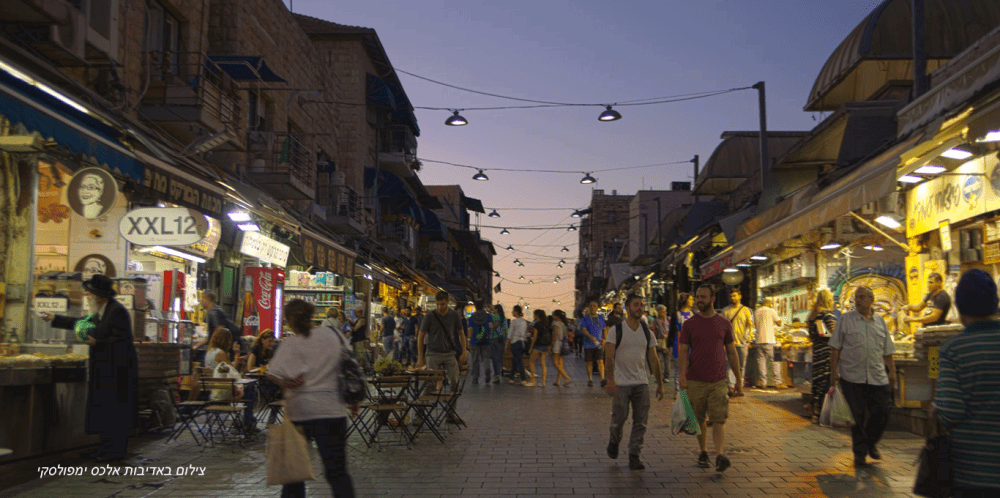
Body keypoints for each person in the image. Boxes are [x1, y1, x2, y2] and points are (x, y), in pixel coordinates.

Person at [40, 274, 138, 462]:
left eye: (90, 293)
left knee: (114, 411)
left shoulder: (116, 311)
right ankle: (105, 447)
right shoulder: (102, 311)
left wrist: (98, 343)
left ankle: (115, 451)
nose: (87, 296)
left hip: (117, 373)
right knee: (104, 410)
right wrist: (55, 318)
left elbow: (122, 340)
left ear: (99, 296)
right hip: (105, 370)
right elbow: (80, 322)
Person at [268, 299, 356, 498]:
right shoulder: (332, 334)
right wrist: (354, 399)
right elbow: (350, 365)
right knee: (337, 473)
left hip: (300, 413)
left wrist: (288, 384)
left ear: (289, 320)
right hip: (332, 410)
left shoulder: (290, 343)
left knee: (294, 475)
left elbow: (273, 373)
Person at [934, 269, 1000, 494]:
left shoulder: (954, 349)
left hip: (974, 468)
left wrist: (935, 410)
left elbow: (950, 410)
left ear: (961, 309)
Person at [830, 286, 896, 467]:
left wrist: (892, 372)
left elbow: (887, 350)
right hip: (852, 376)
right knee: (857, 417)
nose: (858, 300)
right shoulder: (845, 320)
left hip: (877, 375)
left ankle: (871, 442)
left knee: (883, 412)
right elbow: (835, 348)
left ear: (870, 299)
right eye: (856, 297)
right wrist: (833, 372)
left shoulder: (880, 322)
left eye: (861, 297)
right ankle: (860, 452)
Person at [679, 284, 742, 472]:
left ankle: (720, 454)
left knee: (719, 418)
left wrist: (738, 378)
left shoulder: (724, 323)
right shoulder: (689, 324)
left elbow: (731, 352)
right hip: (695, 379)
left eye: (703, 297)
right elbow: (683, 351)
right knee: (699, 419)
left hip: (718, 379)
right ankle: (703, 451)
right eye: (698, 297)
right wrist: (681, 376)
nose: (699, 300)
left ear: (713, 299)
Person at [605, 294, 665, 470]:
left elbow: (654, 360)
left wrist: (660, 384)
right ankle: (614, 440)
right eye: (635, 305)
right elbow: (609, 357)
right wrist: (610, 380)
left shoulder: (647, 332)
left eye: (641, 305)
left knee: (641, 421)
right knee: (619, 418)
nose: (639, 308)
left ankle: (634, 455)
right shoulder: (616, 330)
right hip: (621, 383)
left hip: (641, 382)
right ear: (627, 308)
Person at [417, 291, 468, 394]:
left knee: (455, 383)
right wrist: (420, 357)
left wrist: (464, 352)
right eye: (438, 304)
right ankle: (424, 405)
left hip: (449, 353)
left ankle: (451, 408)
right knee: (430, 383)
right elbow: (420, 336)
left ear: (448, 302)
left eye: (442, 304)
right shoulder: (429, 316)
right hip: (433, 353)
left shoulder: (454, 315)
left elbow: (461, 334)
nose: (440, 307)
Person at [807, 290, 837, 423]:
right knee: (825, 381)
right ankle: (824, 414)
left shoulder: (812, 316)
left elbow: (813, 335)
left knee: (817, 381)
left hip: (817, 351)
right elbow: (834, 333)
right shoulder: (826, 314)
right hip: (827, 352)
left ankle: (816, 412)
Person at [193, 291, 239, 366]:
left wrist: (210, 347)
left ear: (207, 299)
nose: (201, 301)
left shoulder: (213, 312)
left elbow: (220, 329)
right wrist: (197, 346)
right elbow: (211, 335)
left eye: (202, 299)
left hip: (219, 350)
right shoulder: (216, 310)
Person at [722, 287, 754, 395]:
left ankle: (739, 386)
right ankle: (731, 386)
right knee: (730, 365)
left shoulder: (746, 310)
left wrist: (749, 338)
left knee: (741, 366)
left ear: (740, 296)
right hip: (730, 343)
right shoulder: (725, 311)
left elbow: (750, 325)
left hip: (743, 343)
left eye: (735, 296)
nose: (733, 298)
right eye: (731, 296)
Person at [667, 293, 694, 398]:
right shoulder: (676, 314)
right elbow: (671, 330)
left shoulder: (693, 314)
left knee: (690, 368)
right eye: (691, 299)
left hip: (692, 345)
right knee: (678, 368)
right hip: (678, 343)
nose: (693, 301)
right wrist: (668, 345)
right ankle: (678, 390)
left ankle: (688, 389)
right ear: (685, 301)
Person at [753, 297, 783, 388]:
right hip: (770, 340)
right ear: (769, 303)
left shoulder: (756, 312)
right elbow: (779, 323)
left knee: (761, 362)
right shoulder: (771, 310)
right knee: (776, 361)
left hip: (759, 340)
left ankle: (763, 382)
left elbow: (754, 325)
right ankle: (778, 382)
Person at [466, 299, 497, 385]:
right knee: (486, 358)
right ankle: (487, 370)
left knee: (475, 360)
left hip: (474, 341)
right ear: (483, 306)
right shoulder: (488, 316)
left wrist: (468, 340)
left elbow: (470, 329)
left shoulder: (472, 317)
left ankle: (475, 378)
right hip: (486, 340)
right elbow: (491, 326)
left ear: (475, 306)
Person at [579, 301, 608, 387]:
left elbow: (604, 329)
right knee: (589, 362)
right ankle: (590, 379)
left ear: (597, 308)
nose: (592, 308)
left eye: (594, 306)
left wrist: (604, 339)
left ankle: (602, 379)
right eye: (591, 306)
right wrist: (590, 336)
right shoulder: (585, 318)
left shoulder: (600, 318)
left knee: (600, 361)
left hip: (598, 344)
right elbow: (583, 330)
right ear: (588, 307)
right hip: (588, 345)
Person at [526, 309, 551, 387]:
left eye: (534, 315)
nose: (533, 316)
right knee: (543, 364)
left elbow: (534, 337)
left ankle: (532, 381)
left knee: (531, 362)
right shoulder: (546, 324)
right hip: (545, 346)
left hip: (538, 346)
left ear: (537, 316)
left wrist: (531, 347)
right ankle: (543, 382)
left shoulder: (536, 324)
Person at [506, 305, 530, 385]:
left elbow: (510, 334)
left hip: (515, 343)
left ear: (516, 312)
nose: (512, 312)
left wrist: (507, 344)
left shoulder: (514, 322)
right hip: (523, 343)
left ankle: (523, 379)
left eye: (513, 311)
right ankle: (511, 378)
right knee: (515, 360)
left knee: (519, 361)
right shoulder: (524, 321)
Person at [550, 310, 572, 387]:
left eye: (554, 315)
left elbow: (554, 335)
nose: (553, 317)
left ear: (557, 316)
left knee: (555, 362)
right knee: (560, 363)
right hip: (563, 344)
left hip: (557, 344)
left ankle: (566, 377)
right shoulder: (564, 324)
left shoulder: (555, 323)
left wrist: (551, 345)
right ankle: (558, 381)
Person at [651, 305, 670, 383]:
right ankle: (660, 376)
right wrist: (653, 342)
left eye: (665, 311)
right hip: (659, 341)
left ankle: (666, 376)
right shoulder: (655, 321)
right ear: (658, 312)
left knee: (667, 360)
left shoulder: (668, 319)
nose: (664, 313)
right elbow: (654, 331)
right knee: (659, 360)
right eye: (662, 311)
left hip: (667, 341)